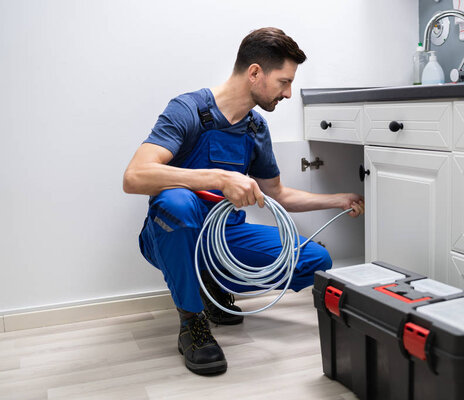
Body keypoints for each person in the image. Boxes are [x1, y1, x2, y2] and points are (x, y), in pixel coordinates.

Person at [123, 27, 364, 376]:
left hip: (226, 238)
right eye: (283, 81)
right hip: (172, 233)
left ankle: (213, 287)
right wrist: (217, 177)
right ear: (255, 73)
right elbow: (135, 176)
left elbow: (277, 194)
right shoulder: (188, 110)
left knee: (315, 259)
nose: (288, 92)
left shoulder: (255, 129)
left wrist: (337, 199)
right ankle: (192, 323)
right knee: (177, 204)